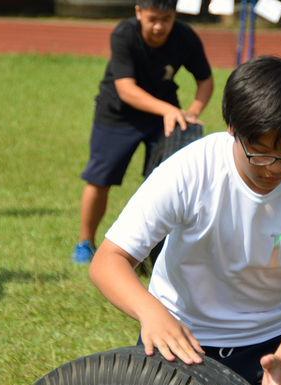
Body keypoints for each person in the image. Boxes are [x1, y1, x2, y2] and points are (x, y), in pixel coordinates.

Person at [90, 55, 281, 385]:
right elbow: (109, 259)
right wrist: (151, 313)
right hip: (181, 336)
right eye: (260, 152)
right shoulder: (188, 171)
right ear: (232, 128)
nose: (274, 169)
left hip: (277, 341)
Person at [72, 0, 214, 264]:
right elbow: (126, 89)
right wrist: (168, 110)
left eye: (167, 18)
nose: (159, 26)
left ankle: (159, 253)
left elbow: (205, 79)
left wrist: (192, 112)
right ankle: (85, 243)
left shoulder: (185, 37)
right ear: (138, 12)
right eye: (152, 19)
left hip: (163, 118)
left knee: (169, 183)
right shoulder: (124, 34)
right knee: (99, 179)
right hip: (117, 114)